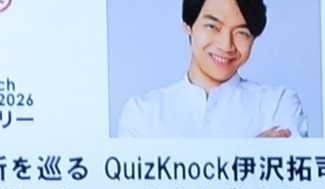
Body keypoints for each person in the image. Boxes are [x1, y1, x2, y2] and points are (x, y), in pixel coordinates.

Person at [117, 0, 309, 139]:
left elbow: (290, 178)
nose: (226, 45)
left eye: (242, 32)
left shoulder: (278, 104)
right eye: (212, 26)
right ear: (188, 26)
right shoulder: (142, 114)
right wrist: (252, 151)